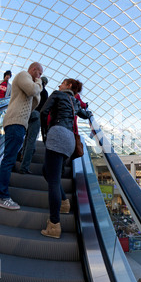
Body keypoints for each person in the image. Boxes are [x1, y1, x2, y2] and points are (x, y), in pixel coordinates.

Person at [39, 78, 92, 238]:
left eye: (62, 83)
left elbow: (43, 112)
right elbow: (85, 114)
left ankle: (54, 225)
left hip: (57, 134)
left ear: (68, 86)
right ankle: (64, 202)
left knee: (53, 180)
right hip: (70, 139)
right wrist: (89, 113)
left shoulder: (57, 94)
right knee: (47, 172)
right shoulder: (75, 102)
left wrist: (45, 134)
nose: (59, 85)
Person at [0, 62, 43, 210]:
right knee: (9, 159)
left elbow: (36, 100)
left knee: (9, 158)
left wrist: (36, 87)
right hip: (15, 122)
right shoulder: (24, 75)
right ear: (34, 70)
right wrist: (39, 83)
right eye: (39, 73)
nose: (40, 77)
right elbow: (32, 91)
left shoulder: (29, 80)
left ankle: (2, 194)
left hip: (20, 124)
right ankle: (2, 196)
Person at [19, 76, 49, 174]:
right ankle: (24, 167)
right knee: (31, 140)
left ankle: (22, 155)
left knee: (27, 137)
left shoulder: (35, 88)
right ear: (45, 83)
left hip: (28, 113)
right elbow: (45, 109)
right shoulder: (45, 92)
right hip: (37, 115)